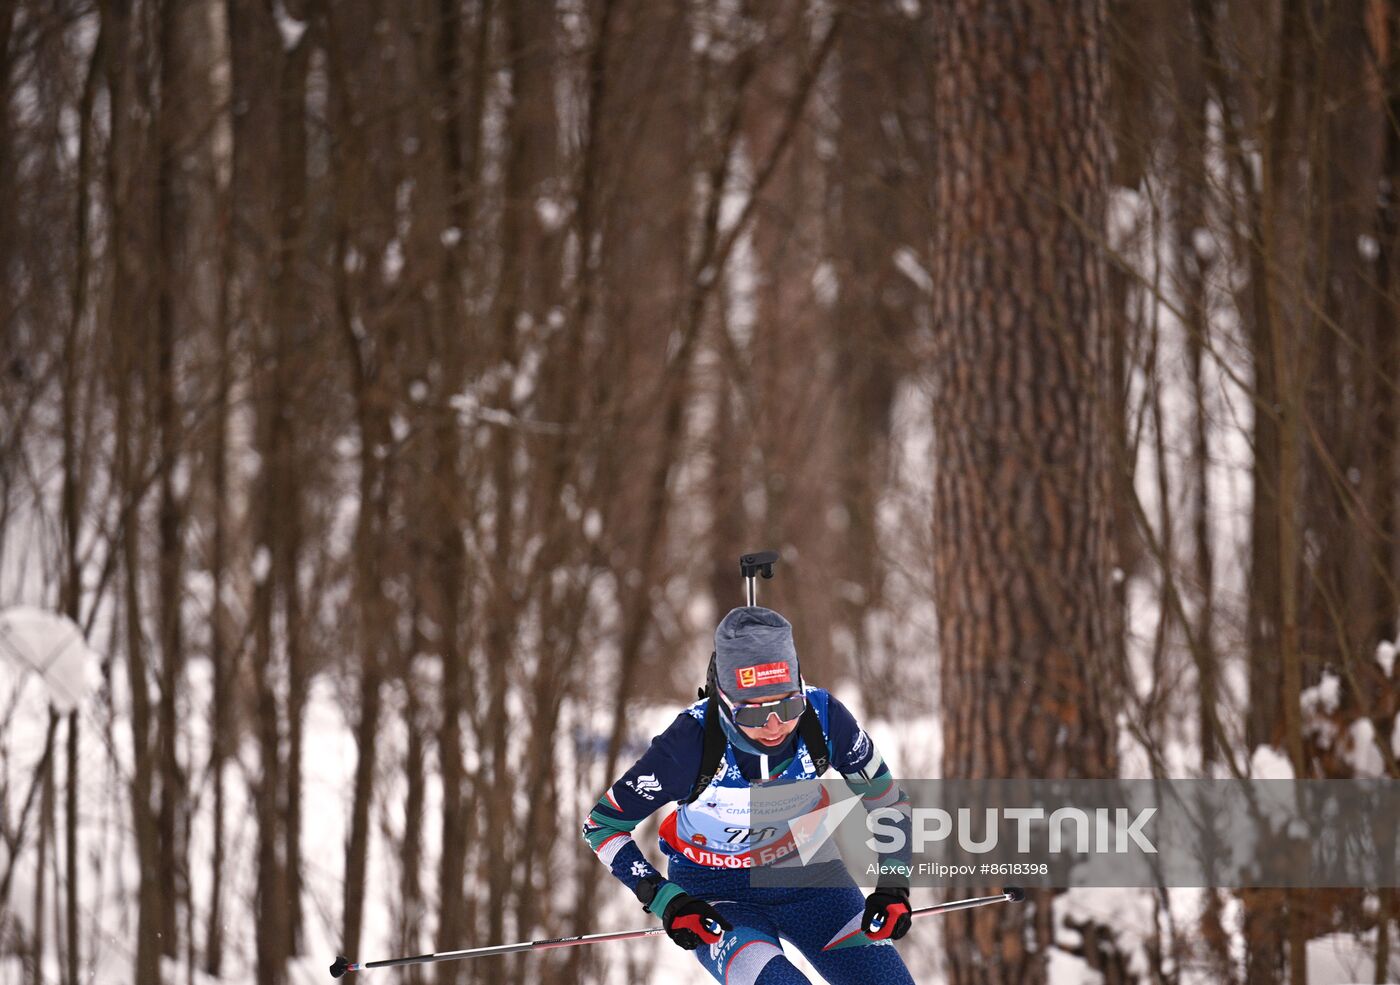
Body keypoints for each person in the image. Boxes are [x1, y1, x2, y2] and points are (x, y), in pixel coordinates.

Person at [582, 606, 916, 985]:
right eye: (754, 715)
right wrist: (666, 899)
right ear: (724, 703)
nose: (775, 727)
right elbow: (602, 826)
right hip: (717, 893)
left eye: (789, 706)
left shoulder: (824, 717)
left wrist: (893, 884)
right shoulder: (688, 743)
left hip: (812, 879)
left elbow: (887, 800)